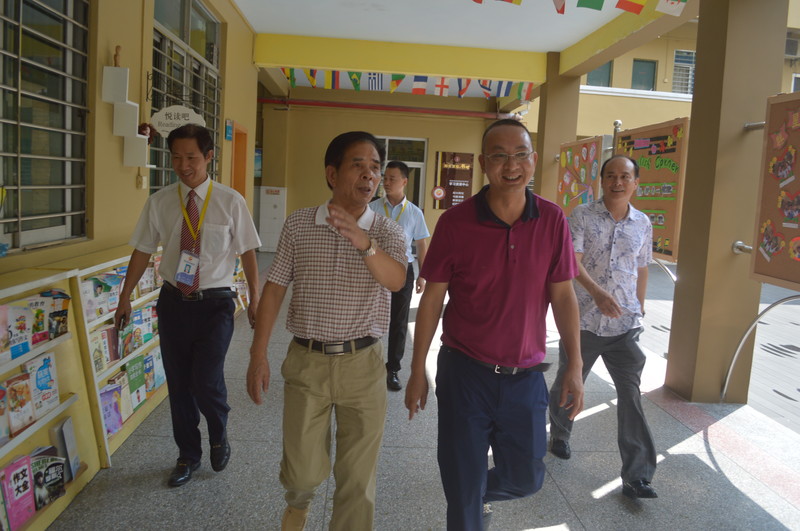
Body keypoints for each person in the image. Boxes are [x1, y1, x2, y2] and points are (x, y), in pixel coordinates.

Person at [405, 119, 585, 530]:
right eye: (500, 156)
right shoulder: (455, 222)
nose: (511, 165)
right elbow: (432, 299)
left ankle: (475, 494)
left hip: (526, 376)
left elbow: (563, 295)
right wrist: (417, 370)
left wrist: (574, 365)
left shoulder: (552, 220)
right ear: (484, 164)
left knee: (526, 477)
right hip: (465, 372)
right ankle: (468, 500)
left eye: (520, 154)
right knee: (462, 487)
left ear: (533, 160)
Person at [246, 131, 406, 530]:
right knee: (301, 472)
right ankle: (298, 504)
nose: (370, 176)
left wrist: (364, 242)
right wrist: (257, 353)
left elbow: (396, 280)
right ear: (332, 174)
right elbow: (275, 288)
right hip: (307, 361)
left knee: (357, 478)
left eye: (375, 168)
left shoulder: (387, 232)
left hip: (364, 364)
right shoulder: (300, 224)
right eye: (358, 165)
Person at [114, 123, 261, 487]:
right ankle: (187, 455)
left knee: (206, 380)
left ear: (209, 156)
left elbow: (247, 251)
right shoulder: (160, 201)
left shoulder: (231, 201)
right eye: (176, 157)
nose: (183, 165)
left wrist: (255, 298)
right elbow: (142, 250)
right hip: (173, 303)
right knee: (179, 385)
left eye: (191, 157)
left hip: (215, 304)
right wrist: (124, 295)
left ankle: (218, 431)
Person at [548, 154, 658, 499]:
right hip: (583, 319)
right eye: (611, 175)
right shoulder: (582, 215)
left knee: (631, 396)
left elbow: (642, 266)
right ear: (602, 180)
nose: (617, 182)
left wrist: (639, 305)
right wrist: (597, 293)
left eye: (625, 176)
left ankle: (637, 476)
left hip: (625, 326)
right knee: (569, 380)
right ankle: (560, 433)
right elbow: (572, 261)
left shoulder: (643, 223)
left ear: (635, 182)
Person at [369, 161, 430, 391]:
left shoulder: (414, 212)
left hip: (403, 270)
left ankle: (392, 369)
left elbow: (421, 245)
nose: (386, 182)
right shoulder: (372, 208)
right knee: (369, 316)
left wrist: (423, 275)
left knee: (399, 321)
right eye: (385, 178)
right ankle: (367, 365)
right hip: (374, 270)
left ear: (404, 181)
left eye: (392, 178)